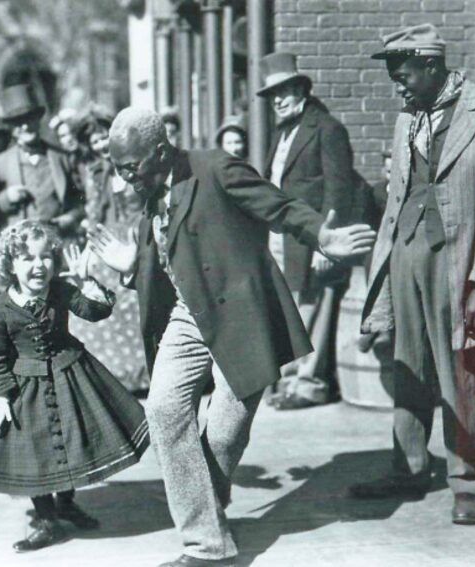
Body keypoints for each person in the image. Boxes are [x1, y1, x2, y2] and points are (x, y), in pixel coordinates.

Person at [89, 107, 376, 567]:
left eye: (130, 168)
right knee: (163, 410)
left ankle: (208, 512)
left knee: (223, 437)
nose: (124, 179)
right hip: (186, 314)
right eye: (118, 168)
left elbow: (278, 206)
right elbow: (162, 255)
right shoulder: (148, 188)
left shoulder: (215, 168)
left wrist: (324, 237)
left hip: (244, 318)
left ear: (160, 152)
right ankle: (206, 546)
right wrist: (130, 267)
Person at [355, 23, 475, 526]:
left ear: (434, 67)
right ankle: (410, 467)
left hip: (456, 262)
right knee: (408, 364)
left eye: (405, 75)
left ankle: (467, 481)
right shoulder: (407, 118)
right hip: (406, 253)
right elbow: (399, 196)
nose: (398, 86)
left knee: (461, 368)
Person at [0, 220, 149, 552]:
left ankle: (67, 503)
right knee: (36, 452)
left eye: (46, 257)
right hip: (24, 388)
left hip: (70, 374)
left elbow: (94, 312)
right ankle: (46, 520)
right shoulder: (2, 308)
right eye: (28, 259)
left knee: (73, 440)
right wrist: (1, 397)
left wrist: (86, 282)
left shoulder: (61, 290)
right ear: (10, 265)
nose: (39, 266)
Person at [259, 52, 358, 410]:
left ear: (301, 88)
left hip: (313, 238)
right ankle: (291, 380)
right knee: (293, 309)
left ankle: (312, 383)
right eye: (272, 96)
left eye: (284, 92)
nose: (278, 101)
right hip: (283, 235)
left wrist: (326, 244)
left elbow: (339, 191)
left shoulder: (327, 129)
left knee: (314, 308)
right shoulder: (283, 131)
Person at [68, 109, 149, 391]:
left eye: (105, 137)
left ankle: (144, 373)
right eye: (95, 141)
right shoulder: (95, 173)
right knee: (106, 300)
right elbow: (93, 214)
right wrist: (91, 247)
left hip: (138, 235)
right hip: (108, 239)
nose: (101, 145)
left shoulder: (134, 164)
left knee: (137, 302)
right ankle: (113, 376)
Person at [0, 84, 85, 238]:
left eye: (29, 119)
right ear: (11, 128)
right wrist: (5, 198)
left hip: (58, 242)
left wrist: (70, 218)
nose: (26, 126)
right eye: (18, 122)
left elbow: (81, 201)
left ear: (38, 120)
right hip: (20, 249)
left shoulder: (62, 158)